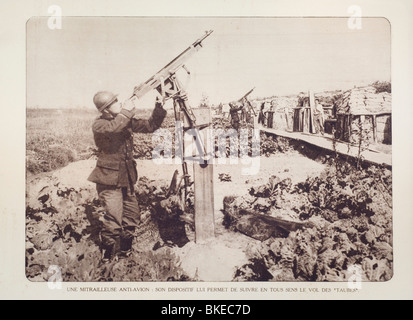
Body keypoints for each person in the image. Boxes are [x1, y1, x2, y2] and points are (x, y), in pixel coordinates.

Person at [88, 91, 167, 262]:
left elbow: (151, 125)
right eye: (114, 102)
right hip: (109, 181)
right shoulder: (100, 125)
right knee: (113, 221)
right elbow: (114, 128)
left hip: (127, 179)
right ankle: (107, 258)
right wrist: (126, 111)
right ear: (106, 110)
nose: (119, 103)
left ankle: (125, 254)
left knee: (131, 218)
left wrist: (159, 106)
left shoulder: (123, 121)